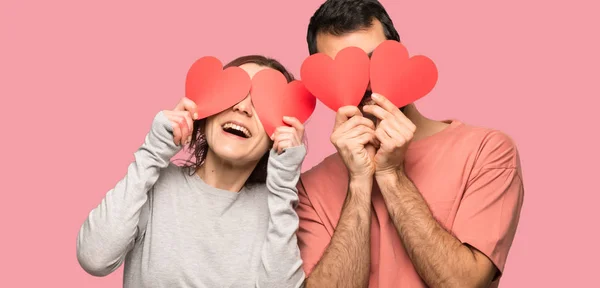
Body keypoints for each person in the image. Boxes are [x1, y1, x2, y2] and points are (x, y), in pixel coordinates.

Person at [296, 1, 525, 287]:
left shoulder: (487, 150)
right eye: (346, 68)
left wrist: (392, 176)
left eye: (373, 60)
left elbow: (464, 284)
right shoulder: (308, 187)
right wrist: (358, 182)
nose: (365, 81)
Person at [77, 55, 307, 288]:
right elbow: (94, 258)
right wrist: (152, 151)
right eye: (233, 92)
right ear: (206, 112)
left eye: (262, 102)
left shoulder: (274, 210)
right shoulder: (156, 186)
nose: (242, 107)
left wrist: (284, 186)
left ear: (275, 136)